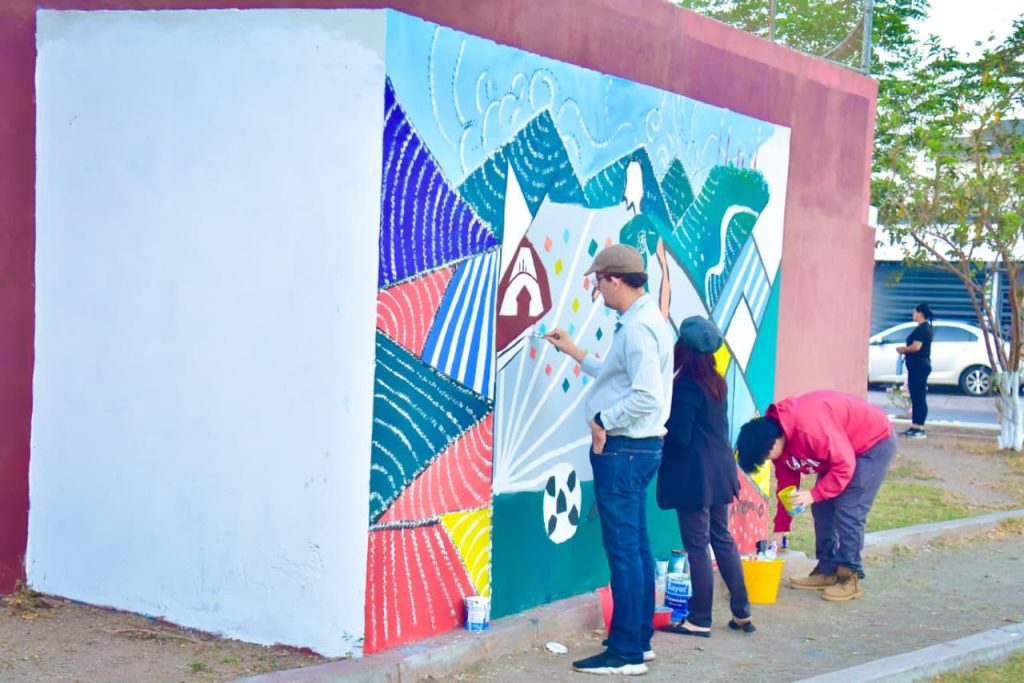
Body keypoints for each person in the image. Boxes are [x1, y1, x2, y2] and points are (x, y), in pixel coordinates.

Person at [545, 244, 674, 676]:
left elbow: (646, 396)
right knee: (636, 548)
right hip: (639, 450)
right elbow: (618, 376)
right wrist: (576, 352)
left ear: (615, 279)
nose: (597, 290)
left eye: (598, 282)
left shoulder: (637, 328)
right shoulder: (647, 320)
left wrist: (603, 420)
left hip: (623, 450)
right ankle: (638, 639)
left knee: (623, 552)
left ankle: (626, 653)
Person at [735, 391, 895, 602]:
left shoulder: (810, 430)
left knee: (849, 509)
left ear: (773, 443)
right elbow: (787, 488)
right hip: (842, 449)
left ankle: (850, 576)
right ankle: (826, 570)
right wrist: (781, 528)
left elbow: (844, 466)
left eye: (764, 457)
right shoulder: (779, 444)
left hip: (872, 443)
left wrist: (814, 493)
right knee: (821, 507)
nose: (766, 461)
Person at [655, 316, 754, 637]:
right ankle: (742, 612)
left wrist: (657, 430)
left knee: (697, 546)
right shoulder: (716, 382)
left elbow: (680, 436)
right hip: (721, 473)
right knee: (722, 539)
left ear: (683, 348)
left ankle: (699, 619)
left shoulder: (686, 385)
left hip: (696, 478)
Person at [897, 303, 934, 438]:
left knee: (919, 397)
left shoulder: (923, 329)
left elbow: (916, 347)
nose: (913, 314)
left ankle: (920, 427)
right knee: (915, 396)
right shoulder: (921, 328)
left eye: (914, 312)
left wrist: (904, 349)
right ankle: (914, 426)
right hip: (915, 366)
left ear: (920, 313)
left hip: (920, 366)